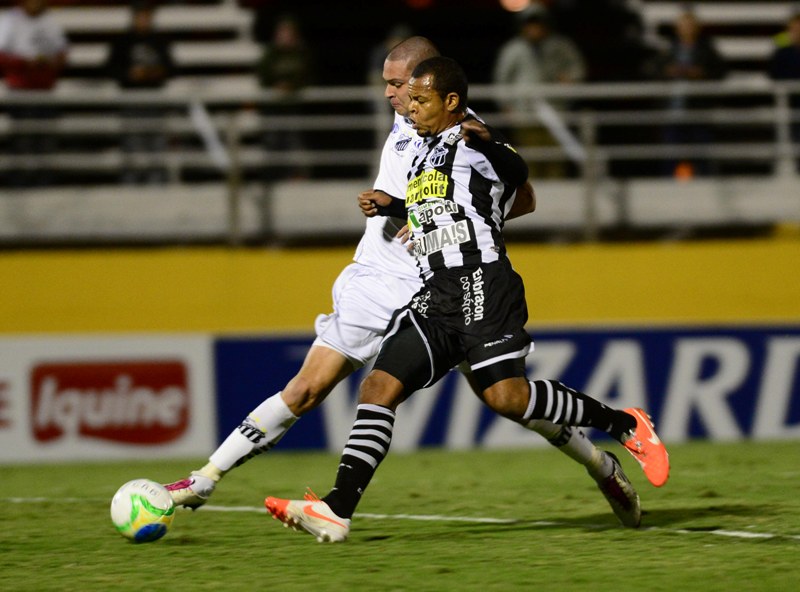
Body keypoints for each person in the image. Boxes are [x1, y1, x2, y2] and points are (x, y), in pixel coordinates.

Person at [165, 38, 642, 531]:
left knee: (508, 399)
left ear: (429, 82)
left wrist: (453, 221)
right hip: (377, 282)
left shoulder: (466, 133)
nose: (393, 96)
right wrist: (409, 210)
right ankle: (209, 478)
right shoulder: (411, 125)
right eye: (390, 86)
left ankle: (601, 461)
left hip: (443, 285)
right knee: (314, 387)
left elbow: (526, 197)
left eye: (401, 86)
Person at [492, 3, 586, 179]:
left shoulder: (560, 46)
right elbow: (502, 79)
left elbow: (577, 69)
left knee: (556, 156)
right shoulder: (514, 49)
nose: (534, 28)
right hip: (525, 111)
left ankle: (558, 193)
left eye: (538, 23)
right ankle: (533, 195)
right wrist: (505, 105)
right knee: (530, 155)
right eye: (530, 24)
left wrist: (569, 79)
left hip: (555, 110)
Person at [104, 1, 174, 184]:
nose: (144, 20)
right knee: (132, 145)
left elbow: (172, 67)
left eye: (147, 16)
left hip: (155, 98)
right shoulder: (123, 41)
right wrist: (130, 74)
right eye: (140, 16)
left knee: (156, 144)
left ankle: (156, 183)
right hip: (131, 98)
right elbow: (110, 68)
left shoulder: (159, 41)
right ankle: (130, 183)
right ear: (134, 17)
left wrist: (156, 72)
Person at [651, 9, 727, 178]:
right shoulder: (668, 50)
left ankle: (706, 185)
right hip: (673, 112)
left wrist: (701, 74)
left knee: (702, 155)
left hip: (698, 111)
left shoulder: (707, 49)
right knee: (671, 155)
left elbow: (720, 72)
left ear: (697, 28)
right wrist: (668, 72)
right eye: (683, 26)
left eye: (690, 25)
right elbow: (654, 71)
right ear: (677, 29)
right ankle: (669, 188)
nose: (687, 29)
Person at [0, 0, 68, 186]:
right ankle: (21, 184)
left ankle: (44, 183)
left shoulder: (49, 21)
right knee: (23, 140)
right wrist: (24, 63)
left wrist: (50, 63)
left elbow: (62, 54)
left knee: (45, 141)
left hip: (44, 90)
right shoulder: (10, 20)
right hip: (20, 90)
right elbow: (2, 57)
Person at [255, 13, 314, 180]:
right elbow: (263, 77)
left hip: (295, 107)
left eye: (288, 32)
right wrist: (276, 87)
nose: (285, 36)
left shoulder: (302, 54)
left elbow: (308, 76)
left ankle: (297, 176)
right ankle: (272, 177)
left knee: (295, 143)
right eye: (282, 32)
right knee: (273, 143)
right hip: (274, 108)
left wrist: (292, 87)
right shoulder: (270, 55)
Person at [769, 11, 800, 172]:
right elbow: (774, 74)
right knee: (790, 143)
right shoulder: (782, 51)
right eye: (794, 29)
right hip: (789, 107)